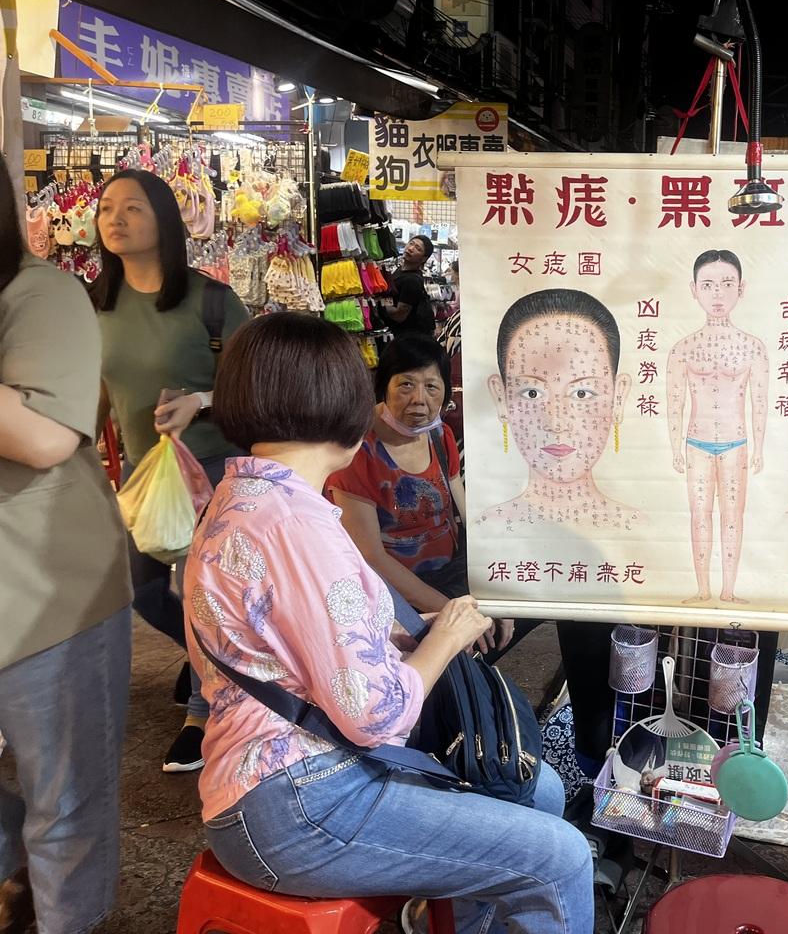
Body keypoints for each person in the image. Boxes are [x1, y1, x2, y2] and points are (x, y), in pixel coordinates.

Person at [185, 312, 592, 934]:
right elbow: (375, 715)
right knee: (559, 856)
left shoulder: (244, 494)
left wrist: (413, 626)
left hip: (289, 778)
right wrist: (447, 636)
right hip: (300, 800)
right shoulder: (297, 525)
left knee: (537, 790)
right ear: (346, 405)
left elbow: (302, 637)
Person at [0, 176, 133, 933]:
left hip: (48, 599)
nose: (116, 221)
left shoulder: (41, 294)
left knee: (65, 803)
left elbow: (44, 437)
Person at [90, 168, 250, 773]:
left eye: (133, 207)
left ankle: (204, 712)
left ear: (164, 219)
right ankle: (222, 665)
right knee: (145, 589)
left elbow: (254, 383)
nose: (115, 218)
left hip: (210, 468)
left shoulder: (211, 301)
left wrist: (200, 401)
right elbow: (97, 392)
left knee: (199, 593)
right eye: (107, 207)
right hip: (142, 473)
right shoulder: (95, 303)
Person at [327, 334, 513, 656]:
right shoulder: (357, 450)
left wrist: (498, 595)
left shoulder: (440, 434)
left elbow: (467, 516)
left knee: (508, 625)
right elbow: (372, 558)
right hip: (393, 598)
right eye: (406, 385)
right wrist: (451, 615)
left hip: (450, 576)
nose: (419, 400)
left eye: (431, 387)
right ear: (383, 385)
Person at [480, 288, 639, 529]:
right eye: (532, 393)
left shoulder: (640, 528)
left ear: (618, 398)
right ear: (501, 398)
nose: (556, 424)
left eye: (582, 393)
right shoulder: (486, 528)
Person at [666, 250, 768, 604]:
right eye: (708, 285)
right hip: (696, 443)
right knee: (699, 515)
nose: (718, 294)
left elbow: (759, 402)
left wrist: (760, 448)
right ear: (694, 289)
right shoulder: (683, 348)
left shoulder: (753, 347)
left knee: (732, 516)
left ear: (741, 288)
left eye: (727, 284)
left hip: (736, 443)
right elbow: (675, 402)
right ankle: (703, 590)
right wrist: (675, 447)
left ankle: (728, 590)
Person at [385, 235, 435, 336]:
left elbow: (399, 315)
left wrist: (381, 302)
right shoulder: (400, 270)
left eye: (418, 248)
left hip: (407, 336)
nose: (411, 248)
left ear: (424, 259)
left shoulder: (412, 280)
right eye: (411, 243)